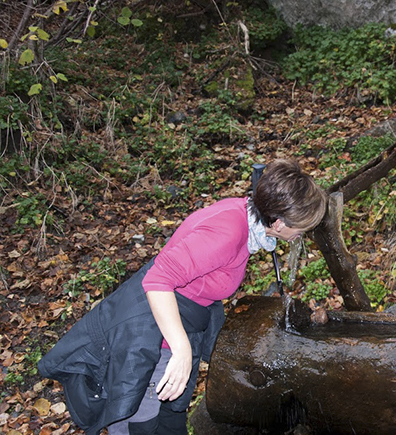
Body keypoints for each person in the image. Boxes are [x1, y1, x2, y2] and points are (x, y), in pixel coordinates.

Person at [38, 159, 327, 435]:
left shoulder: (246, 217)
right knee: (141, 421)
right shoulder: (228, 232)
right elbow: (158, 280)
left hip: (177, 324)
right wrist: (181, 350)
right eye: (301, 228)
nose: (303, 234)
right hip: (151, 332)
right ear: (278, 223)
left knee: (170, 423)